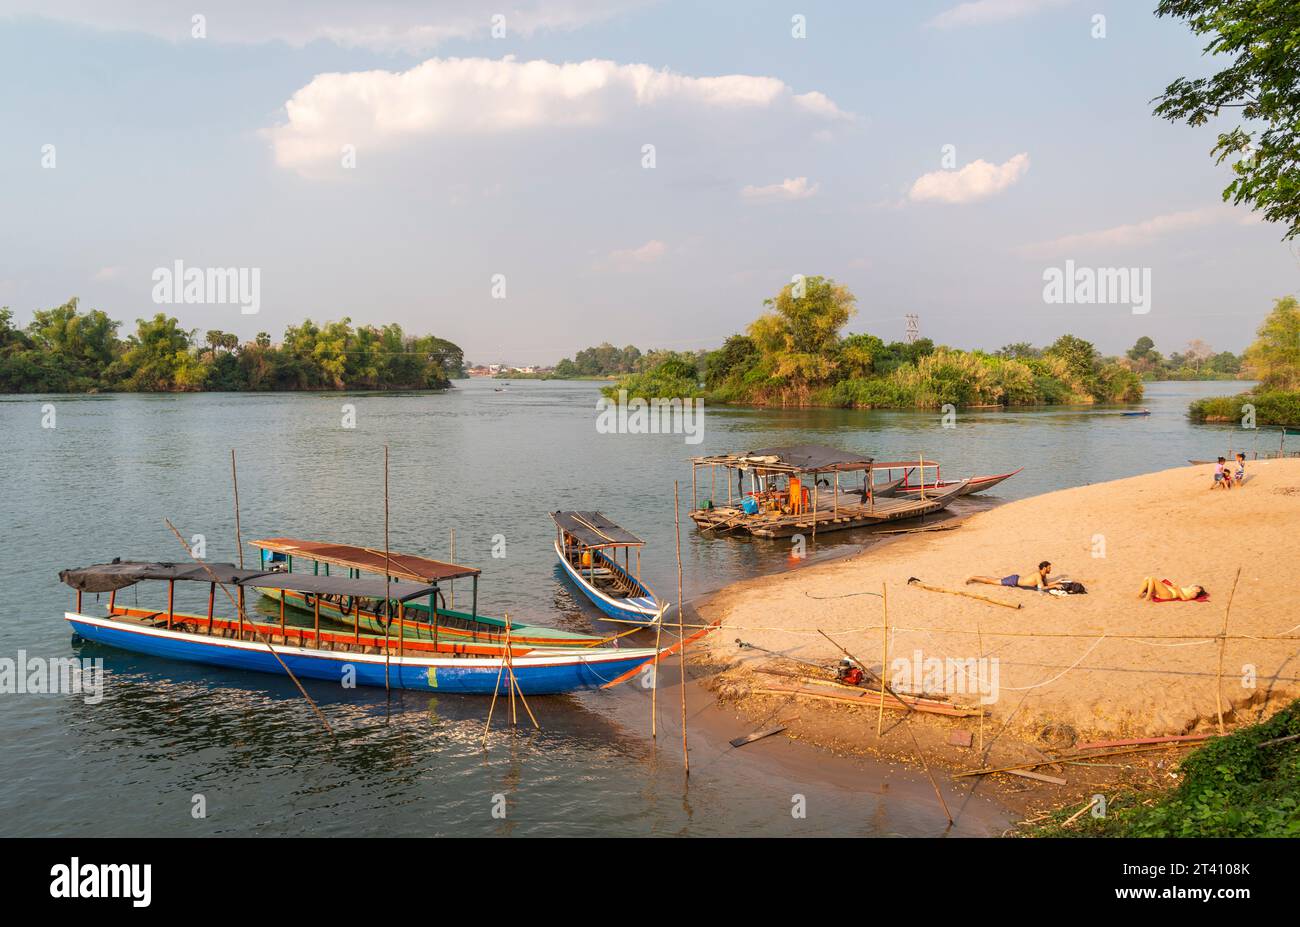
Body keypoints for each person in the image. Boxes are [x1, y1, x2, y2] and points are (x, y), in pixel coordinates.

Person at [966, 560, 1061, 591]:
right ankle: (973, 577)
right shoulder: (1038, 575)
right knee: (991, 581)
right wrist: (1055, 586)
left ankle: (975, 577)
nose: (1050, 569)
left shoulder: (1042, 575)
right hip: (1014, 581)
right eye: (1049, 568)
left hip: (1015, 579)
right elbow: (1042, 588)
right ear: (1044, 568)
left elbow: (1046, 583)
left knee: (994, 579)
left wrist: (1058, 582)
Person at [1138, 577, 1207, 602]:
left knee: (1152, 578)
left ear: (1198, 590)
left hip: (1169, 594)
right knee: (1147, 579)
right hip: (1168, 591)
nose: (1194, 586)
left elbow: (1184, 599)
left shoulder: (1194, 593)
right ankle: (1139, 595)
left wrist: (1178, 589)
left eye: (1197, 587)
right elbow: (1192, 585)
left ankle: (1147, 597)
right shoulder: (1189, 589)